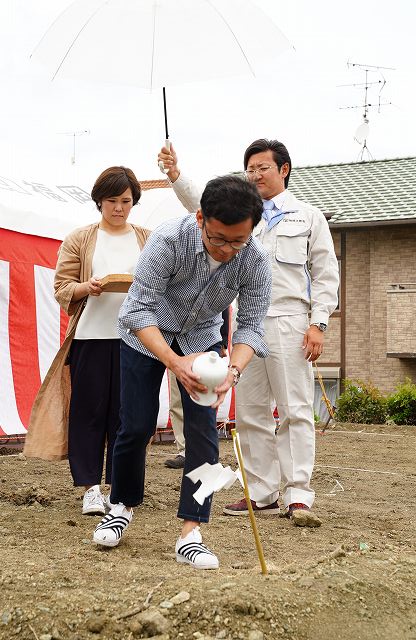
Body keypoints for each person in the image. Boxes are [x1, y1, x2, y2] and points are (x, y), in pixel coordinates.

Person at [92, 174, 272, 569]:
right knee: (135, 425)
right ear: (201, 217)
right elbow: (137, 309)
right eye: (218, 239)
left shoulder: (255, 259)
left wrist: (233, 372)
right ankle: (121, 506)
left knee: (204, 433)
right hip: (148, 332)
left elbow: (252, 326)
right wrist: (174, 364)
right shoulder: (168, 240)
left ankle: (191, 531)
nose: (227, 250)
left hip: (202, 337)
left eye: (238, 241)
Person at [157, 139, 339, 525]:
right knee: (252, 411)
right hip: (248, 325)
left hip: (293, 321)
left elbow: (325, 274)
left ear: (283, 169)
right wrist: (175, 175)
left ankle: (298, 495)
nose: (255, 175)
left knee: (295, 410)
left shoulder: (307, 216)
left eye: (263, 168)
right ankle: (261, 492)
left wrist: (318, 323)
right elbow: (201, 205)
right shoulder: (243, 216)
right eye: (250, 169)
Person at [24, 167, 150, 516]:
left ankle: (119, 489)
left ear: (134, 202)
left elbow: (162, 284)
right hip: (91, 336)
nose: (119, 208)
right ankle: (91, 488)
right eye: (112, 201)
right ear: (99, 202)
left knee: (127, 417)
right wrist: (88, 287)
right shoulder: (80, 238)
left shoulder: (148, 238)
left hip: (136, 339)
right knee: (87, 413)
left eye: (126, 201)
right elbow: (62, 287)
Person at [164, 308, 230, 469]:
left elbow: (223, 307)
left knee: (205, 400)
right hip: (174, 340)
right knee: (177, 399)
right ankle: (183, 450)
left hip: (205, 340)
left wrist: (222, 340)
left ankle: (202, 452)